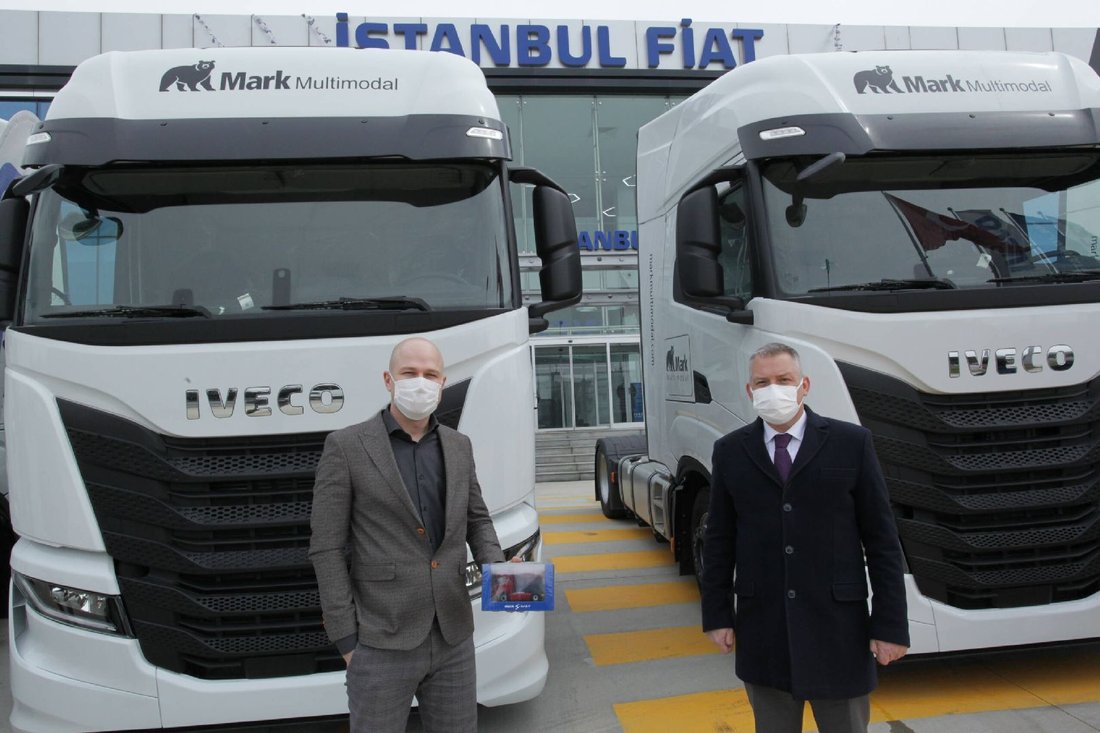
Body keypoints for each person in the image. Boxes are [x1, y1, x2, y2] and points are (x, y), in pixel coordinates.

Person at [701, 342, 909, 733]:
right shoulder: (730, 452)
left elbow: (882, 540)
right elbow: (719, 542)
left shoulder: (852, 443)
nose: (773, 389)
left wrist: (890, 625)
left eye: (784, 380)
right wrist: (717, 615)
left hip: (839, 632)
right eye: (762, 382)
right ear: (749, 391)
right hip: (764, 632)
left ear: (804, 385)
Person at [309, 336, 505, 733]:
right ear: (389, 380)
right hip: (379, 640)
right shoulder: (346, 446)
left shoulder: (459, 446)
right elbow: (326, 547)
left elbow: (477, 520)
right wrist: (346, 639)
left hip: (452, 637)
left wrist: (501, 572)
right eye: (409, 373)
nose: (421, 382)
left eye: (430, 375)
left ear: (442, 382)